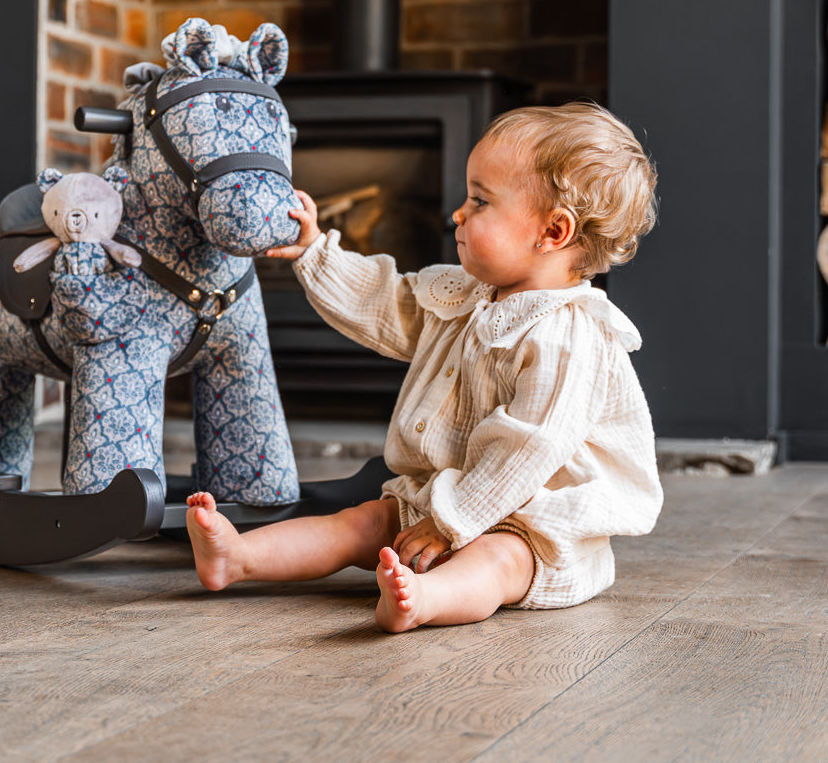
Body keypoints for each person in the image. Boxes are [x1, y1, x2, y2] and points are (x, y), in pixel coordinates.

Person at [184, 102, 663, 632]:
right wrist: (315, 252)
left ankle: (425, 599)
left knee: (497, 561)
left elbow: (529, 449)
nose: (458, 213)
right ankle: (237, 557)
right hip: (444, 500)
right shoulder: (467, 294)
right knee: (363, 521)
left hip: (533, 522)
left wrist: (453, 522)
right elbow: (387, 302)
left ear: (553, 232)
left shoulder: (570, 336)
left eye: (480, 200)